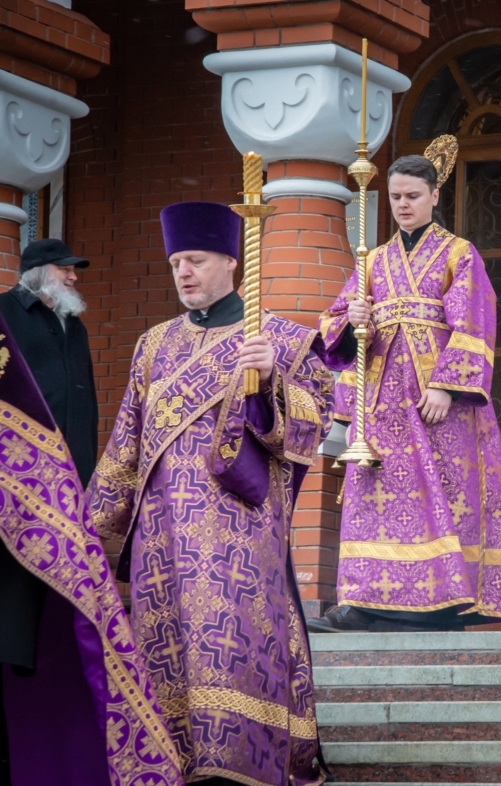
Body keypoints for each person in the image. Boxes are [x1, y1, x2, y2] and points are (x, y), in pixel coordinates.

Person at [86, 201, 332, 786]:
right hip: (162, 538)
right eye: (176, 263)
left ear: (230, 260)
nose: (184, 273)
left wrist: (270, 381)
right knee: (164, 655)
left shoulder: (281, 340)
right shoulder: (153, 344)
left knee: (236, 648)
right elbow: (126, 444)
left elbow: (316, 422)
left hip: (239, 533)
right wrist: (87, 531)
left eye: (195, 260)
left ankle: (244, 767)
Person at [308, 155, 501, 633]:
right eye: (395, 197)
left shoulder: (457, 253)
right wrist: (355, 321)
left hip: (435, 404)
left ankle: (440, 602)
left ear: (434, 196)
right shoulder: (373, 259)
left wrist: (448, 387)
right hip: (381, 403)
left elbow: (474, 321)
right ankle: (362, 602)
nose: (403, 204)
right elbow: (334, 322)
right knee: (376, 497)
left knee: (443, 494)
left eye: (412, 195)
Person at [0, 314, 184, 786]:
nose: (73, 280)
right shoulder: (13, 316)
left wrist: (90, 519)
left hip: (67, 513)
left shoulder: (74, 330)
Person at [0, 238, 97, 486]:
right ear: (38, 272)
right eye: (64, 269)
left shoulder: (74, 324)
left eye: (73, 270)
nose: (73, 277)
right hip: (19, 457)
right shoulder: (3, 311)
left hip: (75, 459)